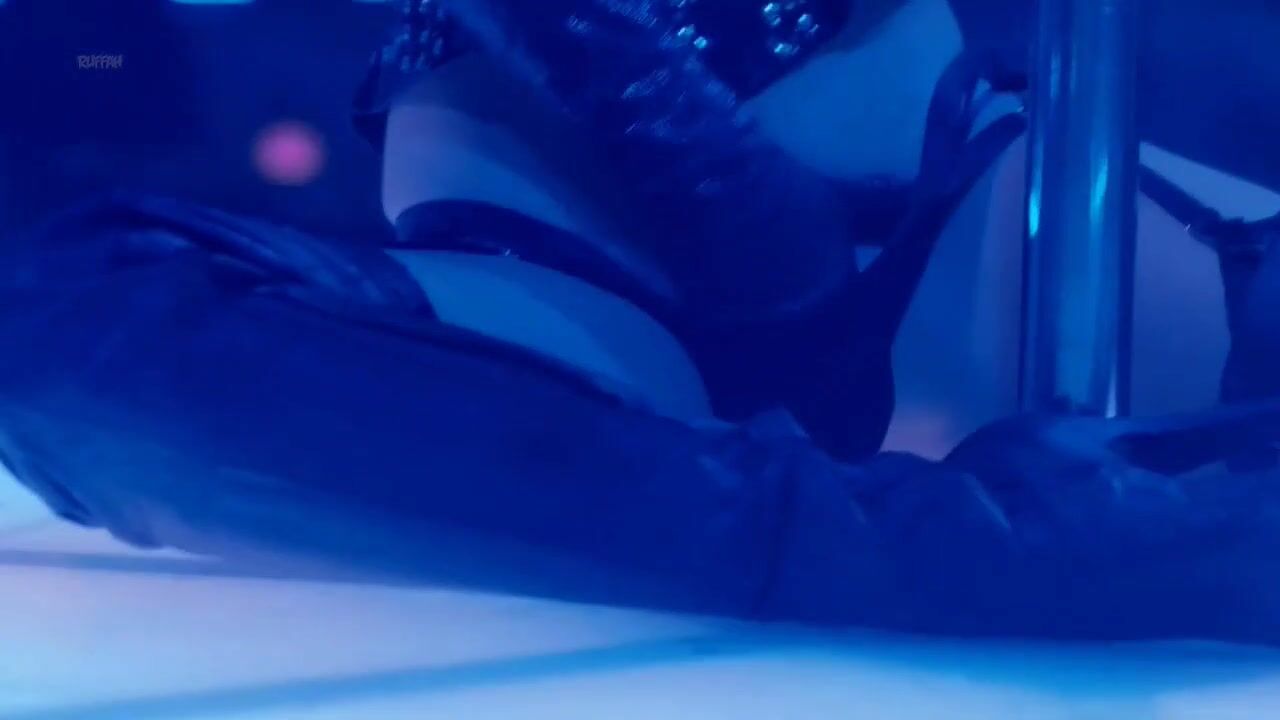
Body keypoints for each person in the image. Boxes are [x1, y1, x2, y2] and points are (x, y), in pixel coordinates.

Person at [3, 0, 1280, 644]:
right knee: (65, 336)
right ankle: (998, 547)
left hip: (986, 229)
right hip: (565, 286)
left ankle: (1017, 547)